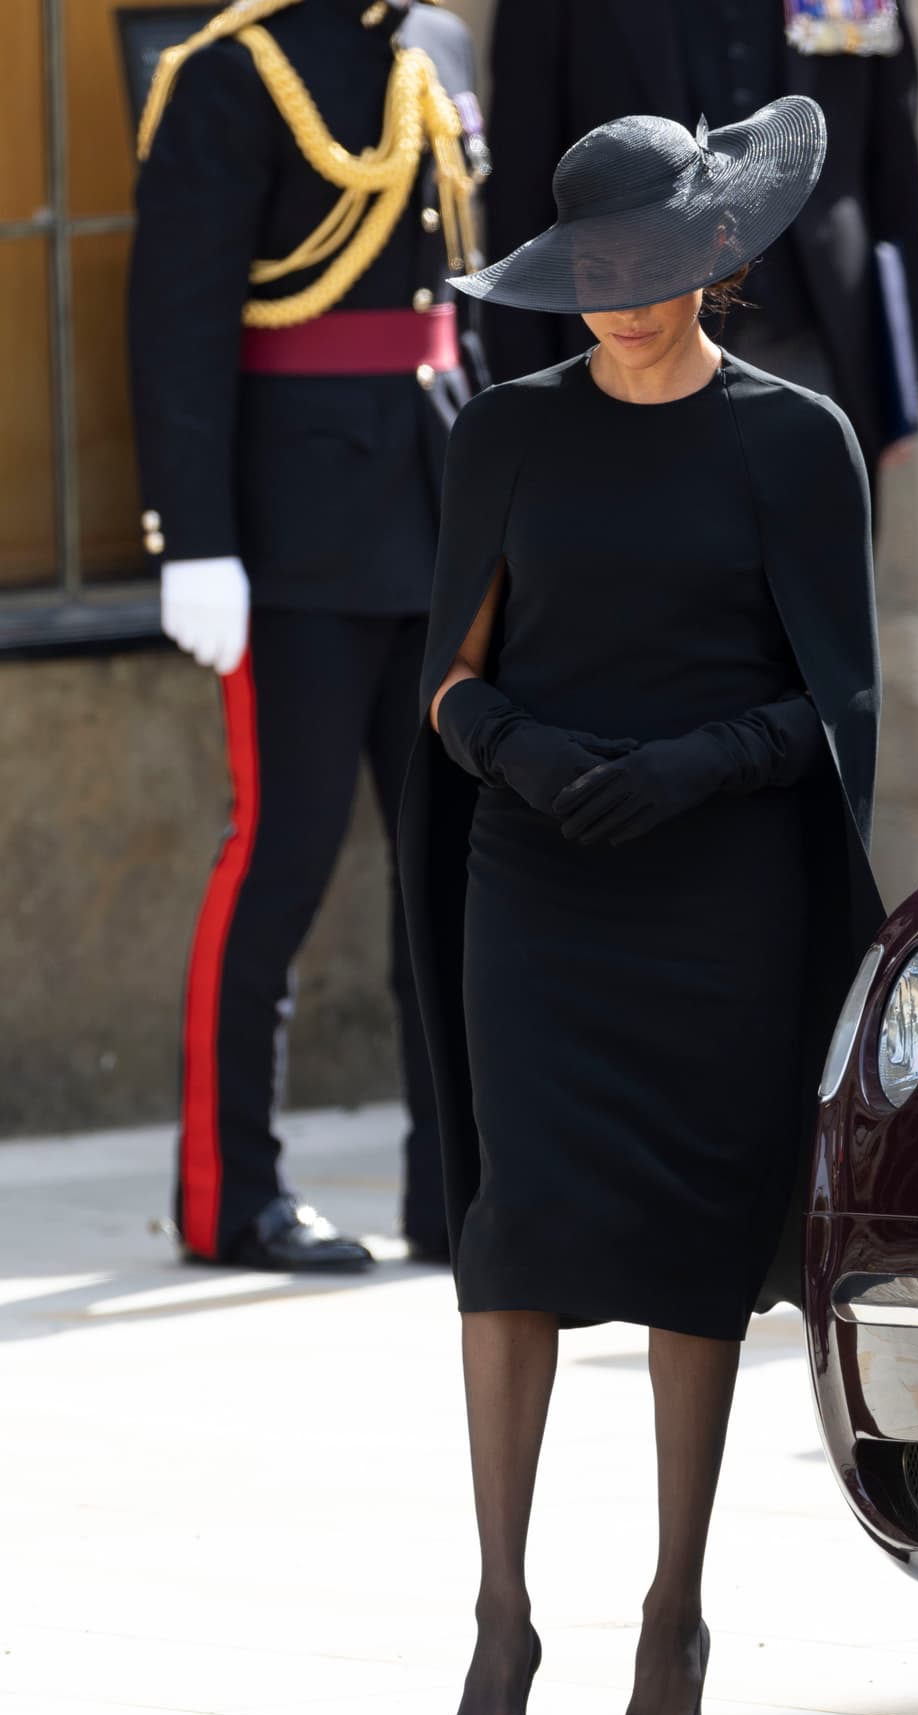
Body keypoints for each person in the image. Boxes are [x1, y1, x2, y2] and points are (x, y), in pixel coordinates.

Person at [397, 101, 882, 1715]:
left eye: (655, 263)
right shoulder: (503, 434)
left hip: (720, 892)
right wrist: (519, 751)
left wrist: (696, 763)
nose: (624, 297)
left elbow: (837, 706)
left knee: (689, 1246)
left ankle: (675, 1607)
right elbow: (448, 673)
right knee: (517, 1226)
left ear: (716, 253)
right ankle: (501, 1606)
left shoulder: (796, 438)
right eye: (593, 269)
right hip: (537, 887)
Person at [128, 0, 488, 1273]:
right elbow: (175, 319)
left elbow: (461, 301)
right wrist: (196, 535)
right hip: (288, 539)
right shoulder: (227, 71)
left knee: (443, 866)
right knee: (276, 863)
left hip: (431, 509)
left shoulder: (435, 47)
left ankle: (454, 1193)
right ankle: (231, 1195)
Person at [481, 0, 918, 480]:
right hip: (628, 351)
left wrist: (904, 365)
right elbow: (520, 179)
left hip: (817, 334)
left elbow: (894, 160)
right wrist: (524, 388)